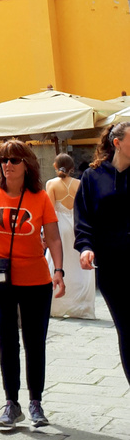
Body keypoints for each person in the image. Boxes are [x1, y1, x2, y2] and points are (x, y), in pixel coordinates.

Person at [0, 140, 64, 429]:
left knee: (34, 341)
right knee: (6, 340)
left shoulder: (40, 198)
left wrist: (58, 269)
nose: (7, 165)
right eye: (4, 160)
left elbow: (55, 238)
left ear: (27, 164)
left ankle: (36, 402)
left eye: (14, 160)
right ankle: (12, 403)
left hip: (35, 279)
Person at [75, 120, 130, 384]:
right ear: (117, 143)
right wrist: (86, 247)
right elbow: (84, 217)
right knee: (127, 329)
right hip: (113, 266)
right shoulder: (92, 177)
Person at [45, 154, 95, 319]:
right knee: (77, 265)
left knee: (58, 262)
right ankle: (80, 304)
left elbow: (50, 211)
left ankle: (57, 304)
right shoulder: (79, 183)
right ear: (72, 167)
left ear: (55, 165)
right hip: (75, 226)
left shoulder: (51, 184)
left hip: (59, 226)